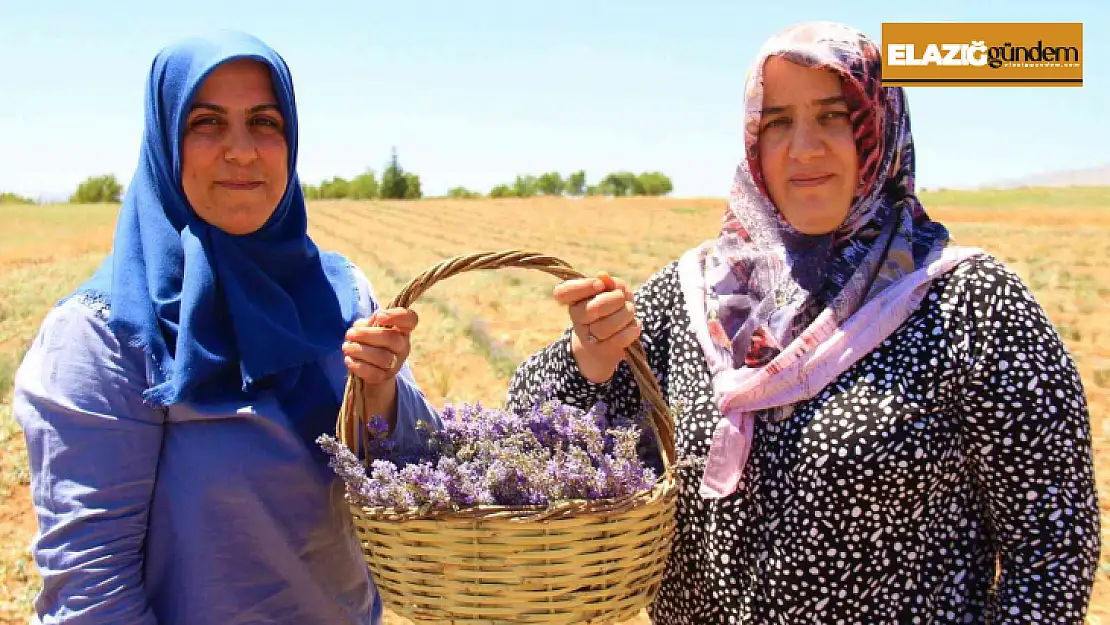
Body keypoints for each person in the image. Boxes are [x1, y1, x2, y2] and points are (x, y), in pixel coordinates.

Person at [506, 21, 1100, 624]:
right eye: (778, 121)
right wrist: (590, 356)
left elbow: (1052, 546)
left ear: (879, 125)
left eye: (833, 115)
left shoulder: (969, 304)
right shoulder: (692, 298)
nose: (804, 149)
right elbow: (532, 438)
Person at [12, 31, 441, 625]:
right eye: (207, 123)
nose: (242, 150)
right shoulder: (106, 333)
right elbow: (92, 587)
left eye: (264, 122)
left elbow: (421, 468)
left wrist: (383, 394)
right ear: (166, 141)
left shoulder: (342, 293)